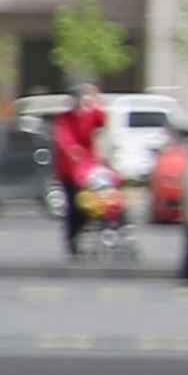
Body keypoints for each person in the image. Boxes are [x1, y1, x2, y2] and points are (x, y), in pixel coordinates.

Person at [47, 90, 113, 255]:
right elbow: (63, 139)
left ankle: (86, 233)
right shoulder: (64, 119)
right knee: (73, 206)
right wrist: (73, 151)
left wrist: (96, 99)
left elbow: (102, 120)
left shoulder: (89, 116)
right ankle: (72, 239)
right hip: (69, 172)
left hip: (88, 170)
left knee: (91, 204)